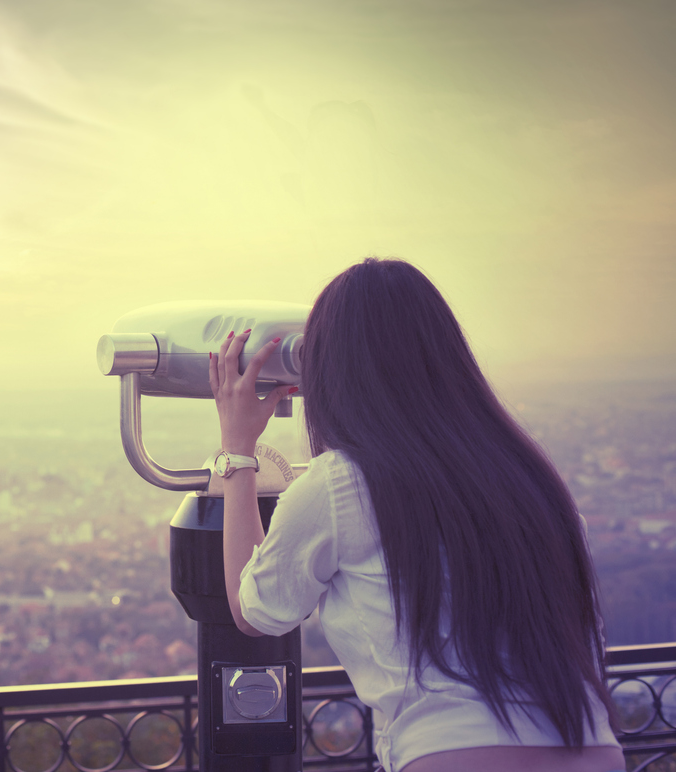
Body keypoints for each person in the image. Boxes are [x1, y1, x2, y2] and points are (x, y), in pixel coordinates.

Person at [208, 258, 624, 772]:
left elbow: (255, 610)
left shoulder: (343, 482)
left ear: (331, 371)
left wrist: (237, 449)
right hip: (592, 748)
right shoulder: (532, 477)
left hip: (453, 751)